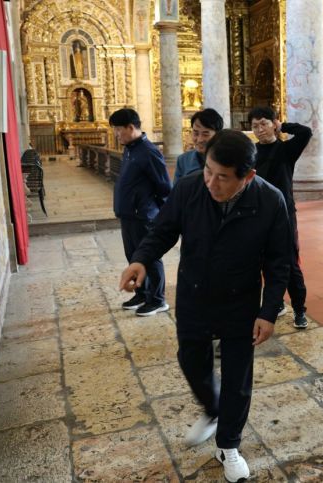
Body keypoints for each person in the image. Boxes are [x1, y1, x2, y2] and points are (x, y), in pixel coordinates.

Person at [118, 130, 291, 482]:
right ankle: (212, 410)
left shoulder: (270, 201)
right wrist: (141, 259)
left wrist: (268, 312)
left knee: (237, 378)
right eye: (208, 170)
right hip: (195, 295)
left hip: (239, 301)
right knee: (191, 359)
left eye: (223, 177)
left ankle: (229, 444)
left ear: (248, 177)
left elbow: (278, 263)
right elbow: (163, 230)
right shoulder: (189, 187)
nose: (211, 182)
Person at [249, 106, 312, 329]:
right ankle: (275, 304)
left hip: (284, 215)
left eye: (264, 123)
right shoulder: (252, 153)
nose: (260, 129)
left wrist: (283, 126)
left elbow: (305, 132)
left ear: (273, 124)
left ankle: (299, 310)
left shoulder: (286, 150)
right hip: (259, 216)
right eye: (255, 126)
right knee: (265, 262)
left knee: (290, 263)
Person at [110, 108, 171, 316]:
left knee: (150, 258)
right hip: (129, 215)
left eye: (118, 130)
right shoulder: (130, 149)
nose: (116, 134)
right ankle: (142, 293)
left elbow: (163, 186)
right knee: (134, 256)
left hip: (144, 216)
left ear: (131, 127)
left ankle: (157, 299)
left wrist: (162, 215)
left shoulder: (148, 151)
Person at [173, 108, 223, 185]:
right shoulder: (183, 160)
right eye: (196, 133)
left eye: (205, 134)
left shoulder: (226, 159)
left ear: (218, 134)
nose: (199, 140)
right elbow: (176, 192)